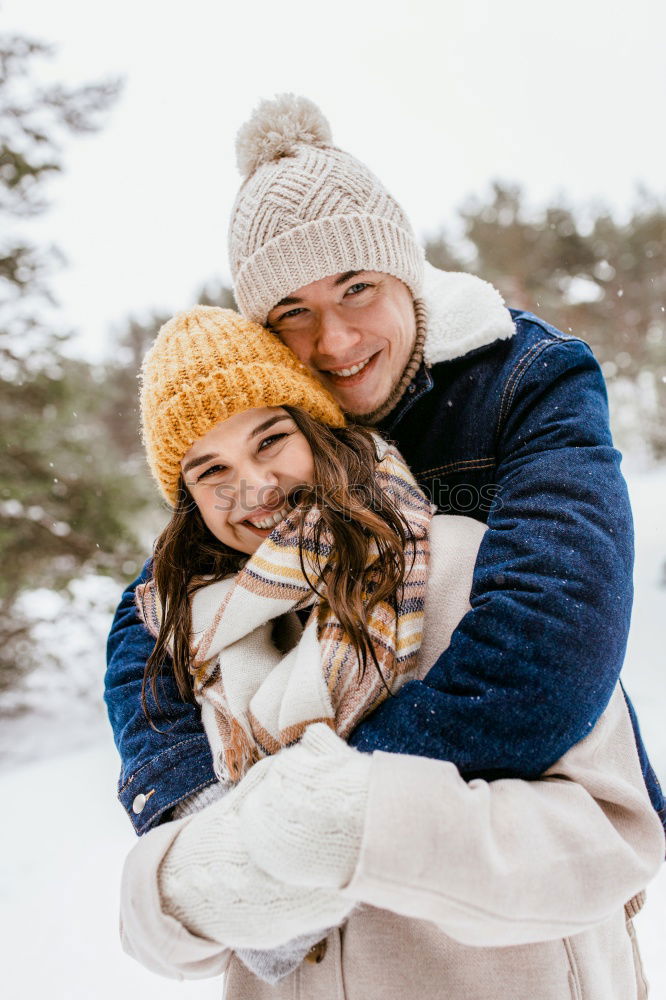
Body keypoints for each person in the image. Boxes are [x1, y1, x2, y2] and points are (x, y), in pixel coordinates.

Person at [105, 96, 664, 850]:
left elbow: (555, 628)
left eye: (356, 287)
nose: (334, 340)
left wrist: (325, 807)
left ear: (404, 272)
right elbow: (152, 610)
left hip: (528, 824)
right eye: (291, 313)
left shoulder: (525, 378)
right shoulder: (285, 427)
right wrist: (196, 806)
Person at [118, 305, 664, 998]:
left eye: (270, 440)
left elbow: (614, 845)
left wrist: (361, 823)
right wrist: (197, 877)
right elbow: (151, 931)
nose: (251, 487)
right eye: (210, 470)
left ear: (320, 430)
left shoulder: (466, 568)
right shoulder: (194, 640)